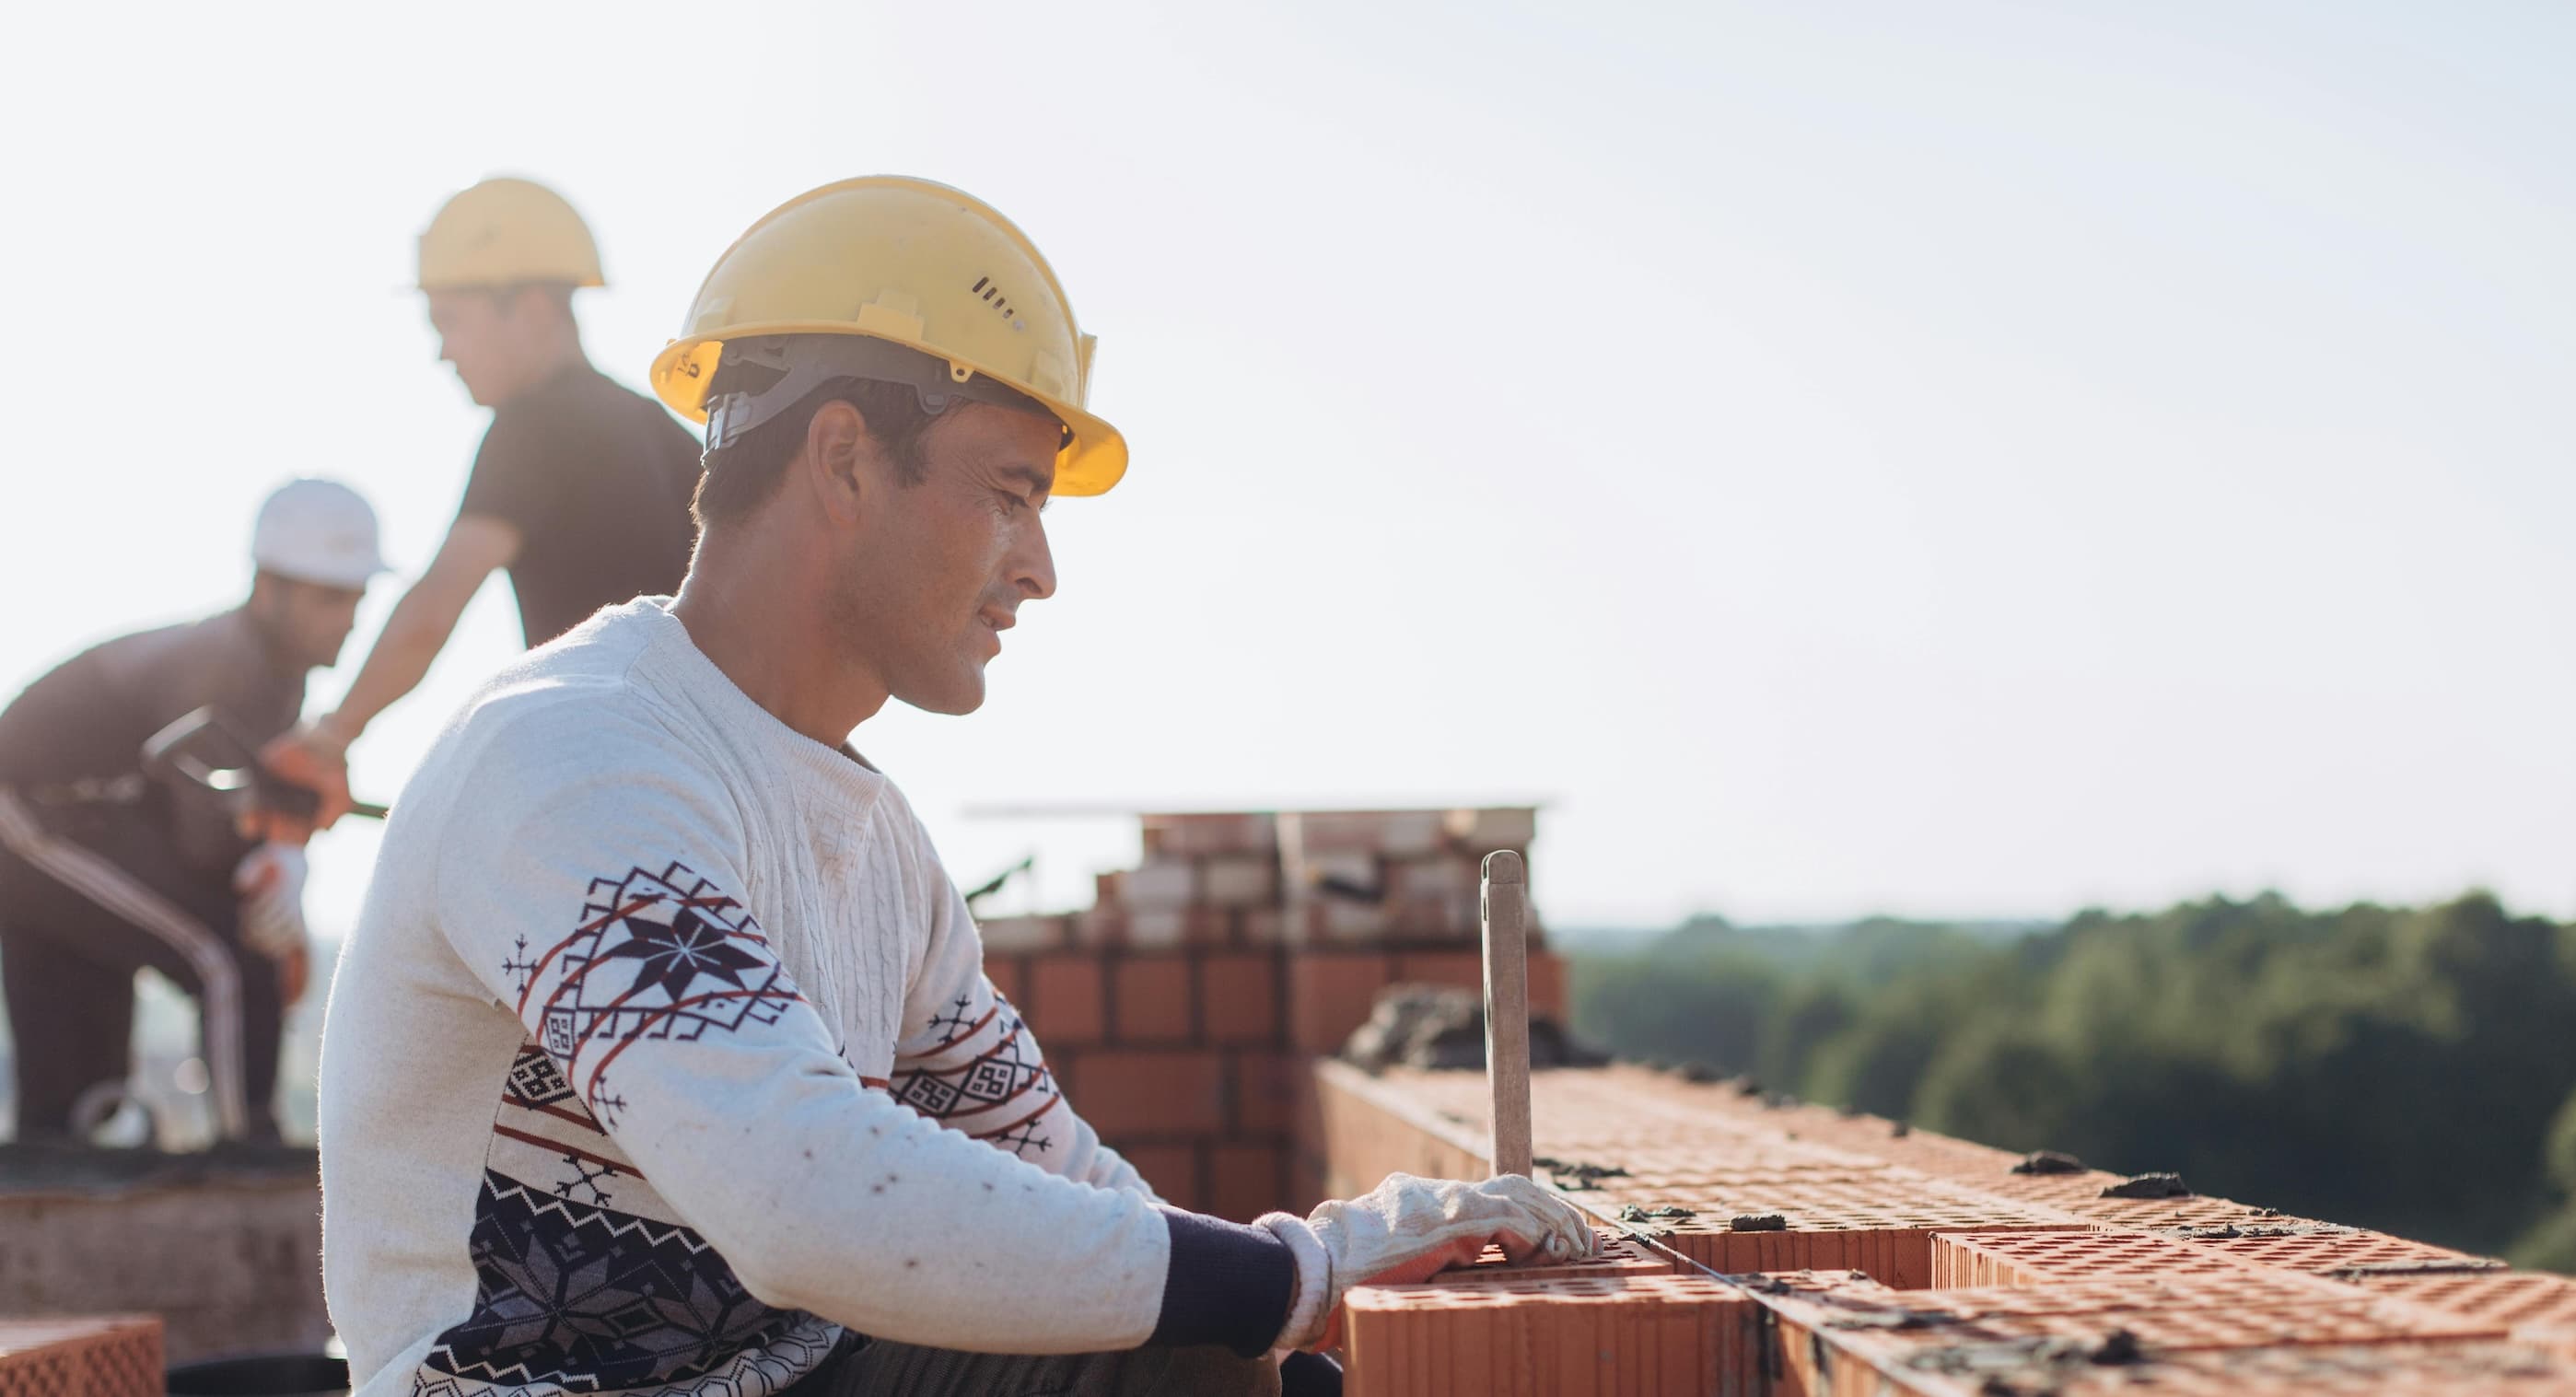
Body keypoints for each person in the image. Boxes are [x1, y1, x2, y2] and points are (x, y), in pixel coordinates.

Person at [317, 177, 1593, 1397]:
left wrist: (1332, 1302)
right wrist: (1291, 1273)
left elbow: (1070, 1199)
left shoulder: (879, 853)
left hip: (800, 1373)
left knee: (1206, 1358)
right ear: (846, 459)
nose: (1039, 569)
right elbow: (804, 1198)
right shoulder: (576, 758)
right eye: (1008, 495)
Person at [261, 177, 702, 823]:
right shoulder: (661, 432)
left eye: (450, 322)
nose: (444, 352)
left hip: (631, 784)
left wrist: (330, 736)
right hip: (726, 774)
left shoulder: (534, 424)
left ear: (529, 307)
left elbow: (431, 612)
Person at [0, 480, 386, 1143]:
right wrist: (278, 870)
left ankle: (69, 1178)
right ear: (269, 589)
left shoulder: (280, 677)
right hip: (31, 820)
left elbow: (223, 821)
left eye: (355, 598)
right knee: (228, 958)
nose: (347, 618)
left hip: (97, 825)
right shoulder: (222, 664)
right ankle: (252, 1162)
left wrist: (280, 856)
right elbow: (207, 837)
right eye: (329, 598)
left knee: (73, 1108)